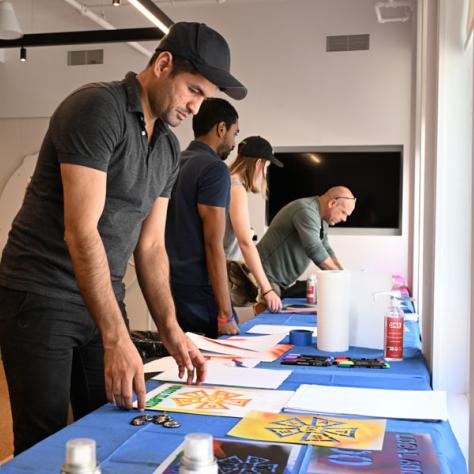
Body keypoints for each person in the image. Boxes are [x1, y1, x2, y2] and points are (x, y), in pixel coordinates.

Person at [0, 22, 247, 455]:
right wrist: (117, 338)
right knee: (44, 440)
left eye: (204, 97)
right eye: (193, 89)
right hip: (40, 294)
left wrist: (172, 332)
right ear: (163, 63)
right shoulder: (98, 108)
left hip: (100, 295)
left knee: (113, 421)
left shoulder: (169, 148)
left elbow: (151, 246)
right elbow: (82, 230)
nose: (195, 106)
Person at [166, 98, 240, 339]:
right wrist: (225, 314)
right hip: (201, 289)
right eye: (234, 133)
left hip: (171, 283)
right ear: (221, 129)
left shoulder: (175, 161)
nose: (233, 142)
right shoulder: (214, 169)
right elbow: (213, 244)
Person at [256, 186, 356, 297]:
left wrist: (342, 272)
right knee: (271, 314)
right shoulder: (306, 210)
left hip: (277, 281)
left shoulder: (322, 219)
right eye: (343, 213)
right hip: (265, 277)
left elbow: (325, 248)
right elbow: (315, 250)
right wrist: (341, 278)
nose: (344, 219)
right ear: (332, 203)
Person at [224, 136, 283, 312]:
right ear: (258, 163)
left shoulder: (223, 180)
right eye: (266, 166)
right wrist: (267, 290)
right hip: (219, 275)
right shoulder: (236, 189)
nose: (264, 172)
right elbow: (245, 243)